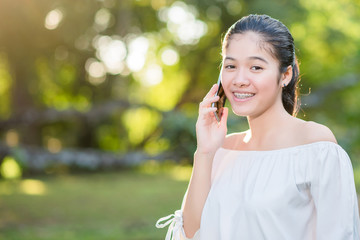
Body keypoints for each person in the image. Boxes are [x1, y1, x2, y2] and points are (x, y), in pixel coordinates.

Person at [156, 14, 360, 240]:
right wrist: (203, 152)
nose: (239, 79)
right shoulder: (220, 150)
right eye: (231, 65)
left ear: (285, 75)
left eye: (255, 67)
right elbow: (190, 234)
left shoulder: (316, 146)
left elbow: (340, 234)